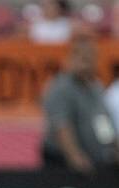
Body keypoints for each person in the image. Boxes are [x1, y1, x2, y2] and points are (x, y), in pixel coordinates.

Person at [41, 34, 119, 172]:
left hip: (92, 159)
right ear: (70, 59)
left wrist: (112, 145)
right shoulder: (60, 88)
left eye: (90, 58)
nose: (86, 63)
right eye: (82, 58)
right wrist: (74, 155)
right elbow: (61, 125)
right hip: (61, 160)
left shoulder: (96, 87)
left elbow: (102, 120)